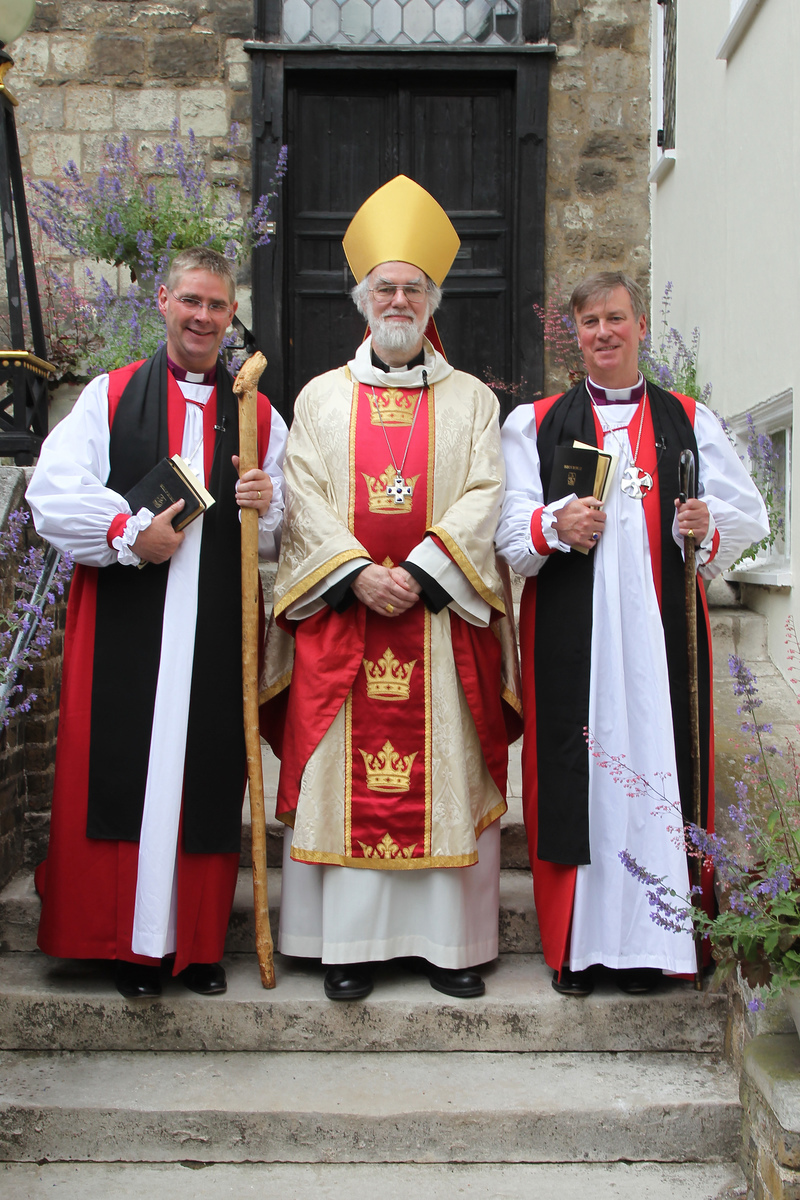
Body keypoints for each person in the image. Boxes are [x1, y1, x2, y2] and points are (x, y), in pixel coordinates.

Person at [260, 175, 521, 1001]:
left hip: (437, 624)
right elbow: (300, 499)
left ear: (431, 298)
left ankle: (452, 950)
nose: (399, 299)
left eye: (412, 287)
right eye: (386, 287)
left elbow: (488, 497)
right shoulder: (319, 400)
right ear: (362, 299)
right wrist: (355, 577)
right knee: (347, 777)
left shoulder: (474, 400)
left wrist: (416, 573)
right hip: (348, 623)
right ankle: (347, 949)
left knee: (442, 773)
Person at [495, 271, 768, 996]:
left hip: (657, 641)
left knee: (657, 775)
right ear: (575, 334)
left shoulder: (690, 419)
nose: (604, 333)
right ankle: (578, 950)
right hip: (571, 639)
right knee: (578, 780)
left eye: (616, 318)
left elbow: (748, 519)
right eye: (590, 322)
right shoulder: (535, 424)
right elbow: (509, 536)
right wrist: (554, 524)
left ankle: (660, 946)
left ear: (641, 326)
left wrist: (704, 531)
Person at [27, 246, 288, 999]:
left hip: (214, 630)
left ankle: (196, 946)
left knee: (204, 776)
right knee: (125, 772)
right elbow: (52, 494)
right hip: (127, 624)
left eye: (217, 306)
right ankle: (125, 949)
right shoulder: (110, 397)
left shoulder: (259, 412)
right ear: (164, 303)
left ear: (231, 316)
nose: (202, 317)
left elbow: (288, 522)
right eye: (190, 302)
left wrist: (267, 501)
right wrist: (125, 534)